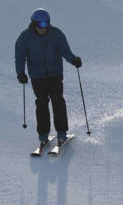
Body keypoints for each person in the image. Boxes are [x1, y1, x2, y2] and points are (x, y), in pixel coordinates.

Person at [15, 9, 82, 147]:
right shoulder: (25, 37)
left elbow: (65, 51)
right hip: (37, 75)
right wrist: (20, 72)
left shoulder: (56, 34)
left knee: (58, 100)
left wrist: (73, 59)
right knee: (41, 103)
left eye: (46, 24)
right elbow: (20, 56)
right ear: (34, 24)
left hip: (55, 73)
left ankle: (62, 133)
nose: (43, 28)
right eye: (40, 25)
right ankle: (43, 135)